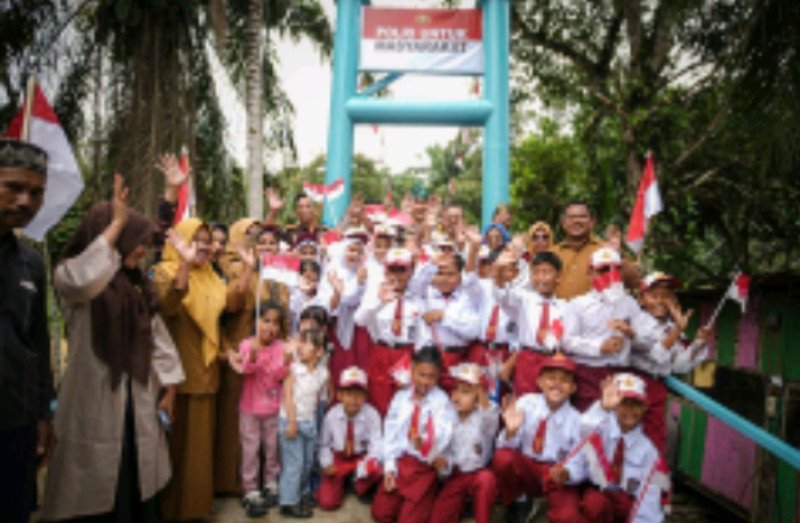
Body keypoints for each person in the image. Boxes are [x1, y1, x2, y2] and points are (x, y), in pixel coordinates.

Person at [41, 176, 185, 522]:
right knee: (92, 490)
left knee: (136, 485)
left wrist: (171, 386)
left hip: (137, 404)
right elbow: (82, 280)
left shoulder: (136, 288)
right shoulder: (74, 277)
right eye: (135, 241)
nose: (142, 250)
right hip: (93, 403)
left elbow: (157, 337)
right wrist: (117, 224)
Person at [152, 217, 229, 521]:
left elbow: (217, 324)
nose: (205, 246)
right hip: (174, 374)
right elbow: (169, 305)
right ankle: (170, 510)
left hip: (206, 372)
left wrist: (228, 353)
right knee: (174, 445)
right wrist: (184, 264)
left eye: (208, 241)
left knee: (200, 448)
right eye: (198, 240)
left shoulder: (212, 277)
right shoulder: (164, 271)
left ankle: (196, 509)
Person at [215, 218, 289, 497]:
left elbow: (284, 318)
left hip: (271, 362)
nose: (266, 247)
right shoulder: (231, 268)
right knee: (239, 428)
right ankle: (237, 483)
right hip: (241, 356)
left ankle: (268, 481)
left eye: (271, 243)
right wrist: (248, 269)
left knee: (268, 433)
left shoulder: (279, 276)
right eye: (258, 240)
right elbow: (230, 306)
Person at [0, 139, 53, 523]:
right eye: (13, 187)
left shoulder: (30, 263)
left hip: (14, 427)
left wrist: (43, 414)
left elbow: (38, 343)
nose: (25, 202)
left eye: (36, 193)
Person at [551, 373, 667, 523]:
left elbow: (650, 494)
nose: (629, 410)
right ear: (614, 404)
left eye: (636, 404)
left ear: (644, 407)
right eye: (624, 403)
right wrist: (569, 472)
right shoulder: (599, 429)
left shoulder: (648, 450)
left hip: (625, 501)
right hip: (598, 492)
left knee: (627, 507)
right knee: (594, 504)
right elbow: (582, 435)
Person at [492, 353, 583, 523]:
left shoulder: (578, 420)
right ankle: (520, 500)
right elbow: (503, 446)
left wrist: (567, 473)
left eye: (564, 380)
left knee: (568, 516)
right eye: (551, 378)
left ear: (573, 388)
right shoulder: (526, 403)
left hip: (555, 473)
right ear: (540, 382)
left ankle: (549, 506)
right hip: (528, 467)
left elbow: (579, 461)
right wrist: (511, 432)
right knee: (503, 458)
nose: (556, 384)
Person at [371, 346, 457, 523]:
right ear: (412, 371)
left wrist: (424, 442)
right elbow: (390, 433)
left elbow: (443, 432)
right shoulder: (401, 397)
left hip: (424, 466)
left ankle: (428, 496)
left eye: (431, 376)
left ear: (438, 376)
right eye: (421, 374)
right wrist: (390, 468)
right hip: (402, 462)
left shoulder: (442, 401)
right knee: (381, 513)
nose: (425, 381)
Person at [631, 272, 710, 453]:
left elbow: (680, 366)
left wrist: (699, 342)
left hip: (657, 388)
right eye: (654, 296)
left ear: (673, 300)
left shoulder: (672, 327)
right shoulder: (637, 322)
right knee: (629, 435)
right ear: (641, 299)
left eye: (666, 296)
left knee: (656, 439)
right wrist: (677, 330)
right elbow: (655, 355)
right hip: (634, 384)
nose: (660, 301)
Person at [562, 247, 646, 411]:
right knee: (587, 420)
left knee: (618, 423)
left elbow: (644, 345)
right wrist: (599, 347)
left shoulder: (630, 304)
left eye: (615, 270)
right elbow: (567, 341)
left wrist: (631, 334)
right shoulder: (577, 304)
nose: (610, 275)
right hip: (587, 373)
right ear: (590, 274)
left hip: (621, 374)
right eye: (603, 270)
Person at [354, 247, 427, 416]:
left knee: (405, 406)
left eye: (402, 270)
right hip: (382, 353)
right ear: (385, 271)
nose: (396, 275)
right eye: (392, 270)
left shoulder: (418, 298)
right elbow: (359, 320)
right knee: (379, 403)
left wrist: (414, 363)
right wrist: (379, 301)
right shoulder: (376, 293)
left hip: (406, 354)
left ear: (410, 272)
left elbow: (422, 336)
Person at [238, 300, 291, 517]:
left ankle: (271, 483)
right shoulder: (247, 344)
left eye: (276, 322)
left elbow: (279, 375)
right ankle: (250, 489)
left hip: (273, 408)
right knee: (250, 450)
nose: (271, 326)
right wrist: (252, 355)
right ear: (256, 321)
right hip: (250, 409)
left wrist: (286, 360)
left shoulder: (281, 347)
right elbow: (246, 370)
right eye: (266, 320)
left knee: (272, 448)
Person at [430, 363, 499, 523]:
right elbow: (447, 452)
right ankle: (461, 508)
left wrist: (481, 394)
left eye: (466, 392)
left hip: (479, 473)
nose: (457, 396)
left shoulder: (483, 416)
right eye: (455, 390)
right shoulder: (448, 417)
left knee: (486, 480)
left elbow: (490, 419)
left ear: (478, 399)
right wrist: (444, 464)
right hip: (457, 475)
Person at [494, 251, 567, 396]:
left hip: (552, 361)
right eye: (536, 272)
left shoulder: (565, 307)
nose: (541, 278)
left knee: (549, 399)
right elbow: (502, 296)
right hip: (527, 359)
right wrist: (498, 273)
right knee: (524, 400)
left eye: (546, 272)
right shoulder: (524, 299)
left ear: (558, 277)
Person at [279, 328, 329, 518]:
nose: (300, 346)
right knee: (295, 464)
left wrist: (312, 423)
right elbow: (288, 397)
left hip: (308, 422)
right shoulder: (293, 369)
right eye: (300, 341)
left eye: (306, 342)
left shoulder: (323, 374)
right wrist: (292, 422)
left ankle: (301, 493)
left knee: (307, 462)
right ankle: (288, 502)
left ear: (319, 351)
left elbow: (316, 399)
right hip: (291, 420)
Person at [317, 367, 383, 510]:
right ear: (339, 395)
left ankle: (356, 483)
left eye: (358, 395)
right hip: (339, 458)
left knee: (377, 469)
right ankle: (344, 483)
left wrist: (367, 465)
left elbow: (376, 444)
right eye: (348, 394)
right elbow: (324, 444)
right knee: (327, 502)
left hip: (360, 457)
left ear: (365, 396)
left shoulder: (372, 415)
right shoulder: (331, 415)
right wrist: (327, 463)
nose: (353, 400)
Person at [419, 252, 480, 393]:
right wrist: (431, 264)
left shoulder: (468, 297)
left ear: (460, 275)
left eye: (451, 274)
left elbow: (473, 330)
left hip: (458, 358)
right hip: (430, 359)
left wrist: (445, 317)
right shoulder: (425, 294)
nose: (444, 279)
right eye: (440, 274)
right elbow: (416, 281)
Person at [551, 201, 605, 300]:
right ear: (563, 223)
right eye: (571, 217)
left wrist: (618, 255)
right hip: (559, 309)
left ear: (592, 222)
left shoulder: (605, 250)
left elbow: (632, 281)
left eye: (582, 216)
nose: (576, 221)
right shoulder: (552, 253)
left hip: (596, 309)